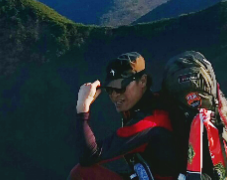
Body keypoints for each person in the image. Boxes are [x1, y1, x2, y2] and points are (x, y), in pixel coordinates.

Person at [68, 52, 179, 180]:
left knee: (81, 173)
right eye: (110, 89)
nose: (114, 95)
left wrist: (82, 108)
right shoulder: (150, 105)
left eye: (120, 87)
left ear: (143, 81)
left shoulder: (149, 121)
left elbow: (88, 156)